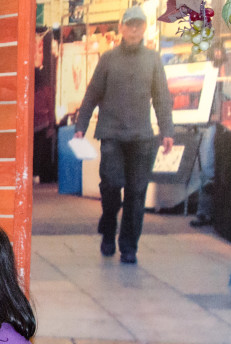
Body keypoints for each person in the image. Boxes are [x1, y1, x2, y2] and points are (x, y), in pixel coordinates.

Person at [74, 5, 174, 264]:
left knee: (136, 193)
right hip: (112, 136)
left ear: (144, 28)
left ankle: (129, 246)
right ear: (121, 28)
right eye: (129, 25)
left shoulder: (152, 60)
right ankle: (108, 229)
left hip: (142, 137)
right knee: (110, 187)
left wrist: (167, 131)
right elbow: (92, 94)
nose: (133, 29)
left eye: (138, 25)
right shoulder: (108, 59)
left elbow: (162, 98)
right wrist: (80, 126)